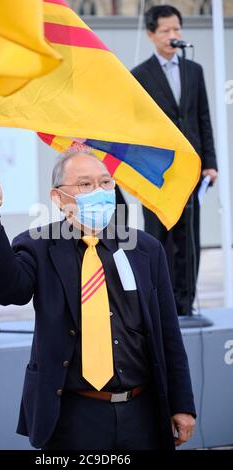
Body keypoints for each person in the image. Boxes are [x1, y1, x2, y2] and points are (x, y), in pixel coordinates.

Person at [0, 149, 196, 450]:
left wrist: (182, 404)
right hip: (73, 414)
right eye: (85, 185)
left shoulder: (145, 249)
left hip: (142, 412)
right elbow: (9, 291)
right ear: (58, 197)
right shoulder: (38, 245)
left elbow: (169, 333)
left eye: (105, 183)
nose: (99, 192)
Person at [131, 5, 218, 316]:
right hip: (157, 172)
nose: (173, 36)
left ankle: (186, 302)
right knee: (157, 236)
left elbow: (202, 118)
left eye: (177, 29)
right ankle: (156, 302)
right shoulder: (139, 75)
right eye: (166, 31)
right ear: (151, 35)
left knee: (188, 238)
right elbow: (136, 128)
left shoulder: (193, 70)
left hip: (191, 169)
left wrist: (210, 162)